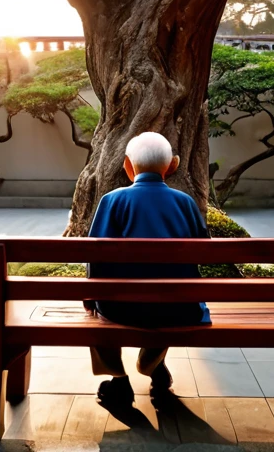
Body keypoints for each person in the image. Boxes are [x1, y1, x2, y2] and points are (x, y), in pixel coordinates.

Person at [86, 131, 211, 406]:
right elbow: (204, 249)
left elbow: (94, 257)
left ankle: (118, 381)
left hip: (121, 309)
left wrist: (89, 297)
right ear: (172, 166)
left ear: (128, 166)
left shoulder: (112, 201)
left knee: (97, 309)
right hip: (178, 309)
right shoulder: (186, 203)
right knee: (171, 297)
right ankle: (153, 366)